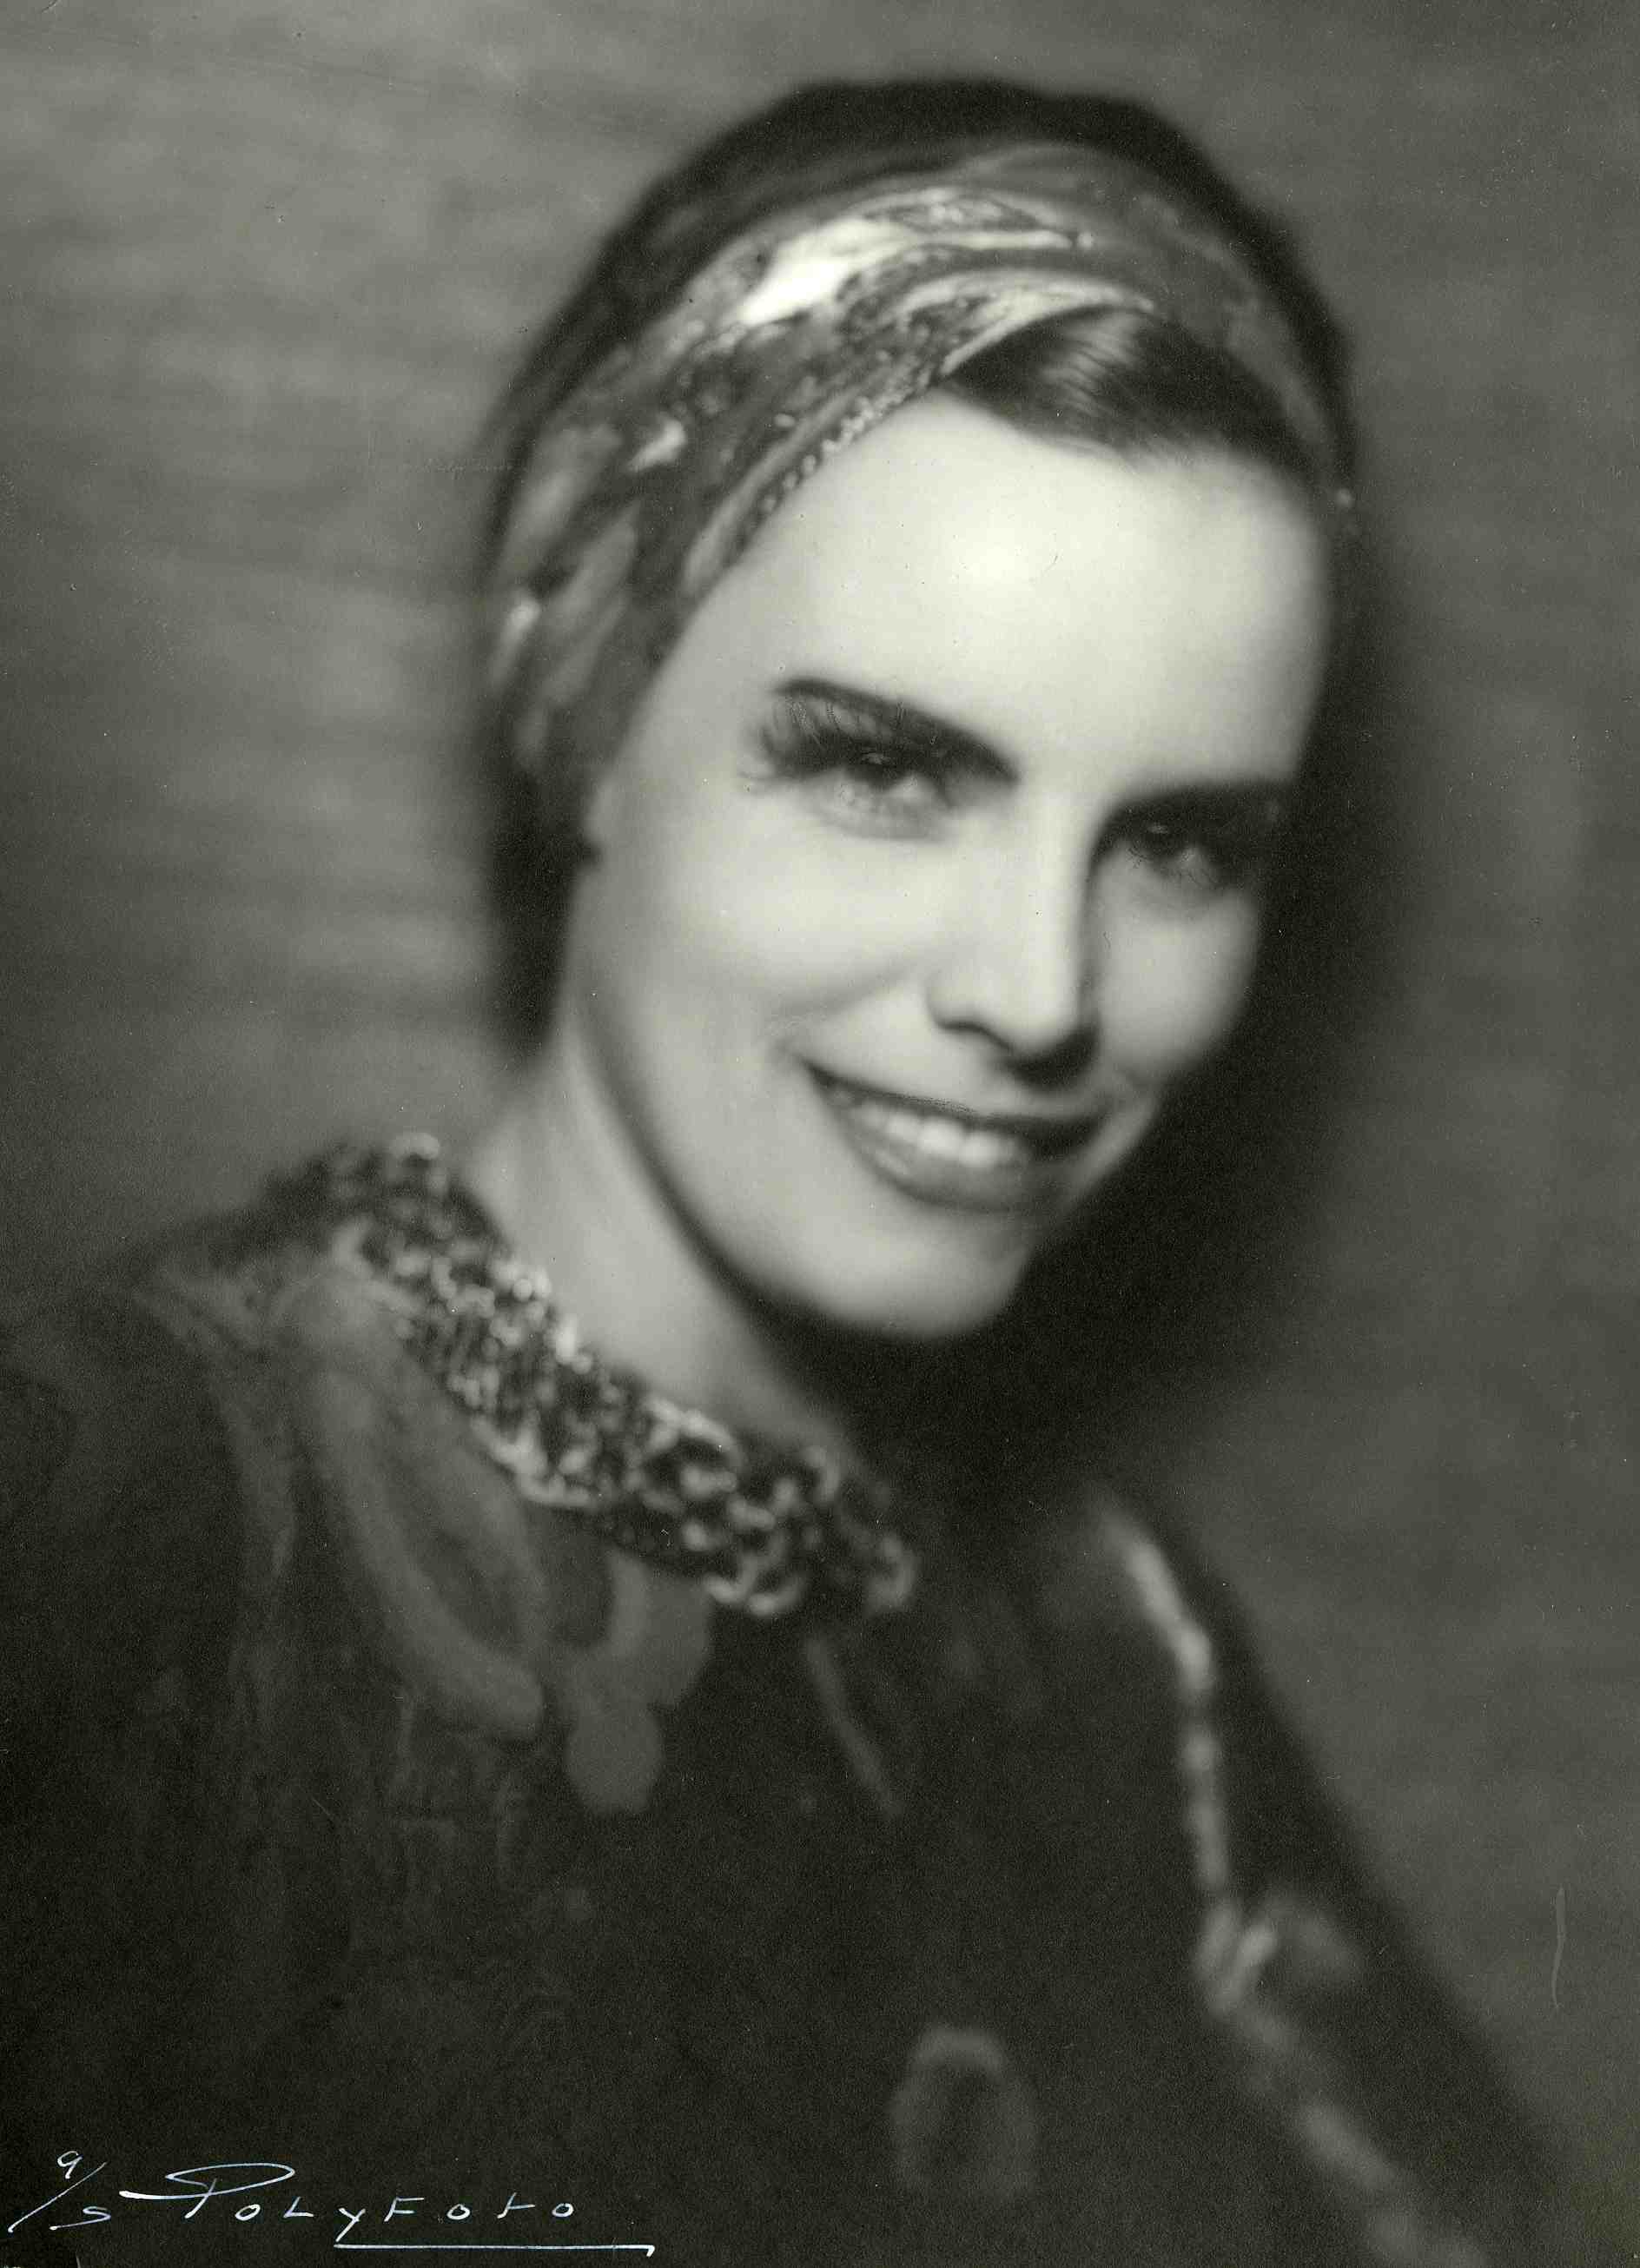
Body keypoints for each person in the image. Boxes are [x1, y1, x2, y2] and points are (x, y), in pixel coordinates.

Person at [0, 76, 1570, 2268]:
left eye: (1179, 842)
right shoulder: (113, 1536)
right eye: (885, 769)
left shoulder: (1109, 1645)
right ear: (587, 720)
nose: (1039, 989)